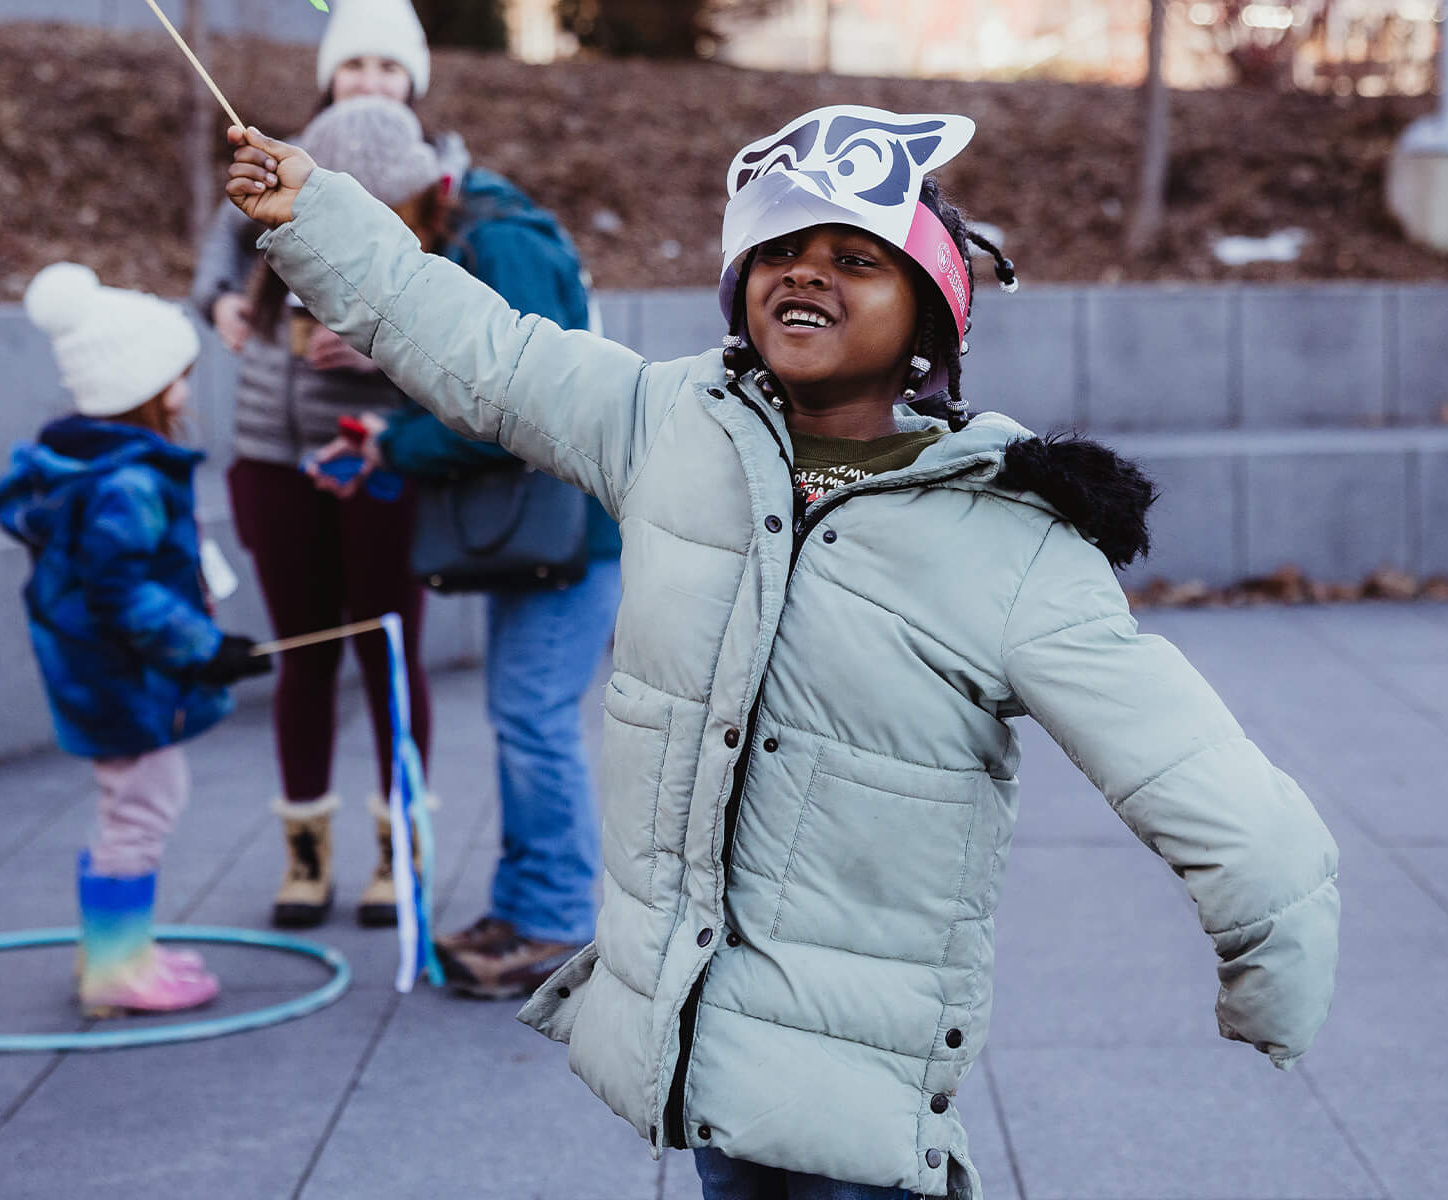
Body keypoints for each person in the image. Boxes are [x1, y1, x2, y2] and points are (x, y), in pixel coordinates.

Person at [225, 104, 1341, 1199]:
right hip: (706, 1047)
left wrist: (1270, 966)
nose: (806, 273)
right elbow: (486, 351)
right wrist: (317, 215)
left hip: (860, 1079)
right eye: (782, 251)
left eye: (855, 258)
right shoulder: (671, 426)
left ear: (928, 321)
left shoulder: (1012, 544)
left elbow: (1197, 772)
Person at [305, 106, 622, 999]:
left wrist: (398, 447)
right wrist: (388, 435)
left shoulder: (501, 242)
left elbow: (524, 408)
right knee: (526, 716)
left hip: (572, 526)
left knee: (534, 720)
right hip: (548, 524)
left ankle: (554, 921)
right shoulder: (472, 225)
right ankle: (526, 906)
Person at [188, 0, 435, 931]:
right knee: (304, 649)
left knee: (387, 644)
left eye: (387, 67)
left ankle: (396, 844)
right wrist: (223, 307)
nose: (369, 82)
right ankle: (304, 852)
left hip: (381, 446)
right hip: (272, 446)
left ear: (413, 79)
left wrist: (374, 340)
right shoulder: (278, 158)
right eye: (354, 65)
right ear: (328, 72)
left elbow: (465, 320)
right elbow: (214, 264)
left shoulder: (433, 180)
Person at [0, 263, 271, 1019]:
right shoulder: (128, 483)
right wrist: (203, 648)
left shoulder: (101, 469)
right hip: (121, 678)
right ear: (138, 390)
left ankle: (116, 947)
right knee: (143, 807)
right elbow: (123, 593)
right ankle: (116, 968)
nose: (185, 390)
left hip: (106, 672)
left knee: (132, 804)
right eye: (176, 379)